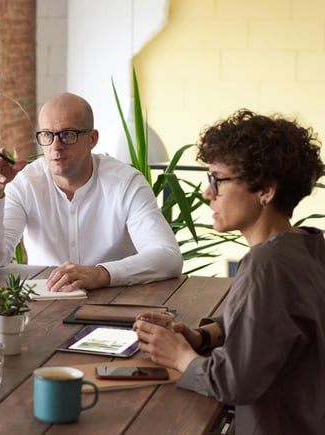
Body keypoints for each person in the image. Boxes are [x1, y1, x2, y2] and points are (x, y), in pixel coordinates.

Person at [133, 109, 325, 434]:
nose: (208, 193)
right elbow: (274, 323)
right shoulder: (309, 245)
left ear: (266, 190)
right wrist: (203, 336)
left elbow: (233, 383)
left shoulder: (267, 267)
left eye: (217, 180)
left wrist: (180, 356)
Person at [0, 92, 182, 291]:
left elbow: (168, 256)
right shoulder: (25, 183)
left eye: (67, 135)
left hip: (114, 301)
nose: (55, 146)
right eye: (47, 135)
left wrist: (100, 274)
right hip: (45, 303)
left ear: (92, 139)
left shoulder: (126, 183)